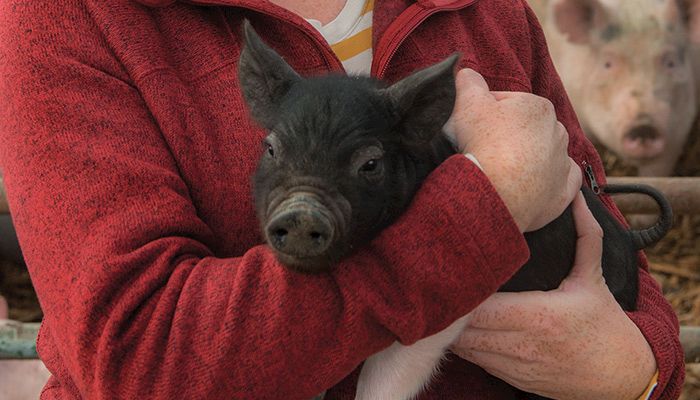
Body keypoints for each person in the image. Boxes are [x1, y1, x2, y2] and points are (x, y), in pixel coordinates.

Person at [0, 0, 683, 399]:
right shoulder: (67, 17)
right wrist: (491, 202)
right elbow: (137, 355)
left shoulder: (484, 8)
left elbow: (616, 266)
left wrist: (635, 371)